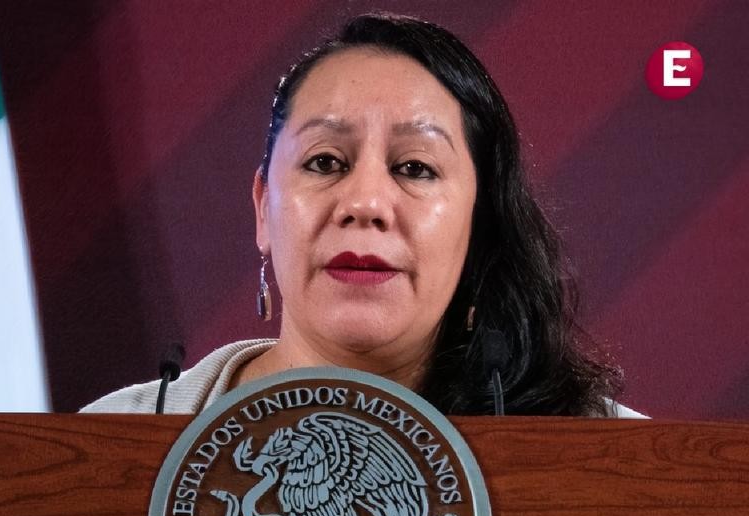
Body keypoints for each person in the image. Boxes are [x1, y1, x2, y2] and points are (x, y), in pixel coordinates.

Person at [82, 13, 644, 418]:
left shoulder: (614, 461)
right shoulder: (117, 434)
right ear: (263, 210)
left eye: (415, 168)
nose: (365, 204)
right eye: (325, 161)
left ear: (480, 224)